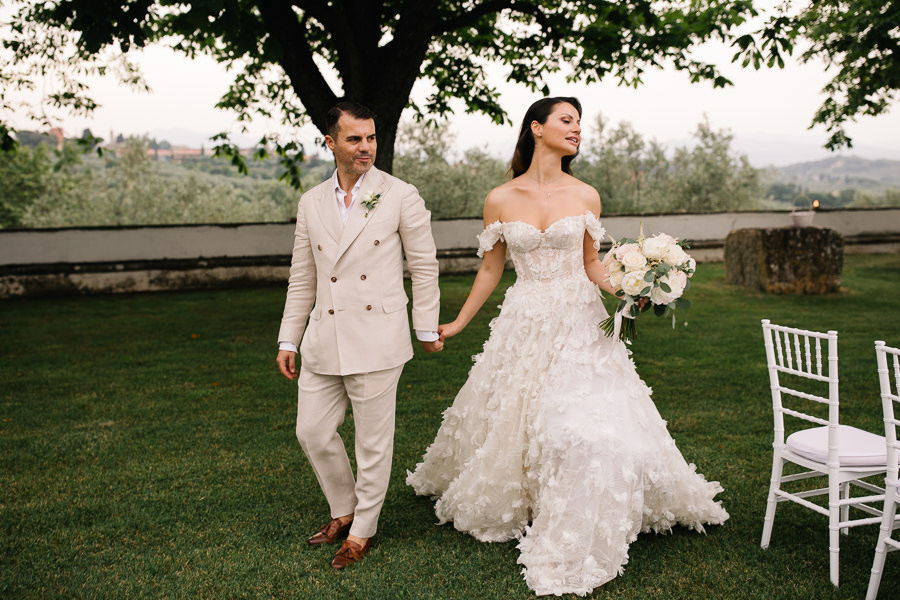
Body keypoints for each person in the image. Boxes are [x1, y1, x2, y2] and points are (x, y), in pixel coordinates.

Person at [406, 97, 728, 596]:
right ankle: (531, 493)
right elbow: (492, 268)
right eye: (567, 120)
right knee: (516, 414)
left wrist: (635, 290)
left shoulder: (586, 195)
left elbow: (592, 266)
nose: (577, 129)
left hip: (580, 320)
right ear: (537, 129)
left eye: (580, 123)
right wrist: (459, 322)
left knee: (581, 422)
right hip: (524, 318)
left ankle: (585, 502)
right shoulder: (499, 198)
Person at [276, 101, 442, 570]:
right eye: (354, 139)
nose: (365, 147)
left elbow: (424, 265)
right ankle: (343, 509)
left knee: (372, 443)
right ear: (330, 142)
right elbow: (302, 276)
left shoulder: (400, 194)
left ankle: (362, 529)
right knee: (310, 431)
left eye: (370, 138)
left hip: (378, 334)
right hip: (324, 336)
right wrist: (289, 339)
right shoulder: (311, 202)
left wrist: (425, 324)